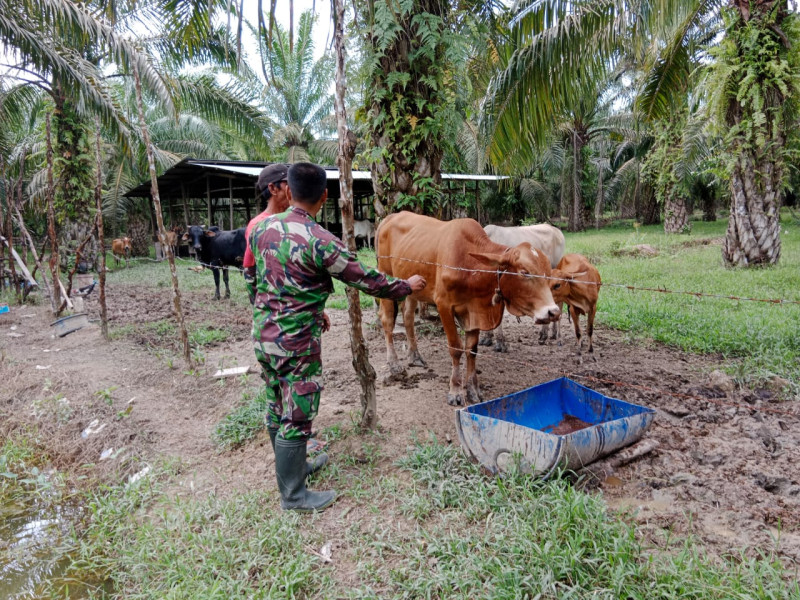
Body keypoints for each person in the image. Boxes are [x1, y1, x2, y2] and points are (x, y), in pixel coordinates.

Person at [250, 162, 427, 512]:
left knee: (275, 403)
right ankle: (294, 496)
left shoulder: (262, 228)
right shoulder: (320, 241)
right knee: (297, 414)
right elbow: (367, 280)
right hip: (297, 343)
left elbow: (264, 279)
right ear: (325, 196)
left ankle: (295, 470)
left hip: (264, 335)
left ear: (289, 190)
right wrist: (406, 286)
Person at [242, 163, 291, 304]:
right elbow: (252, 268)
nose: (293, 189)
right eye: (288, 184)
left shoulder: (293, 220)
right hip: (274, 303)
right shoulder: (257, 225)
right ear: (273, 188)